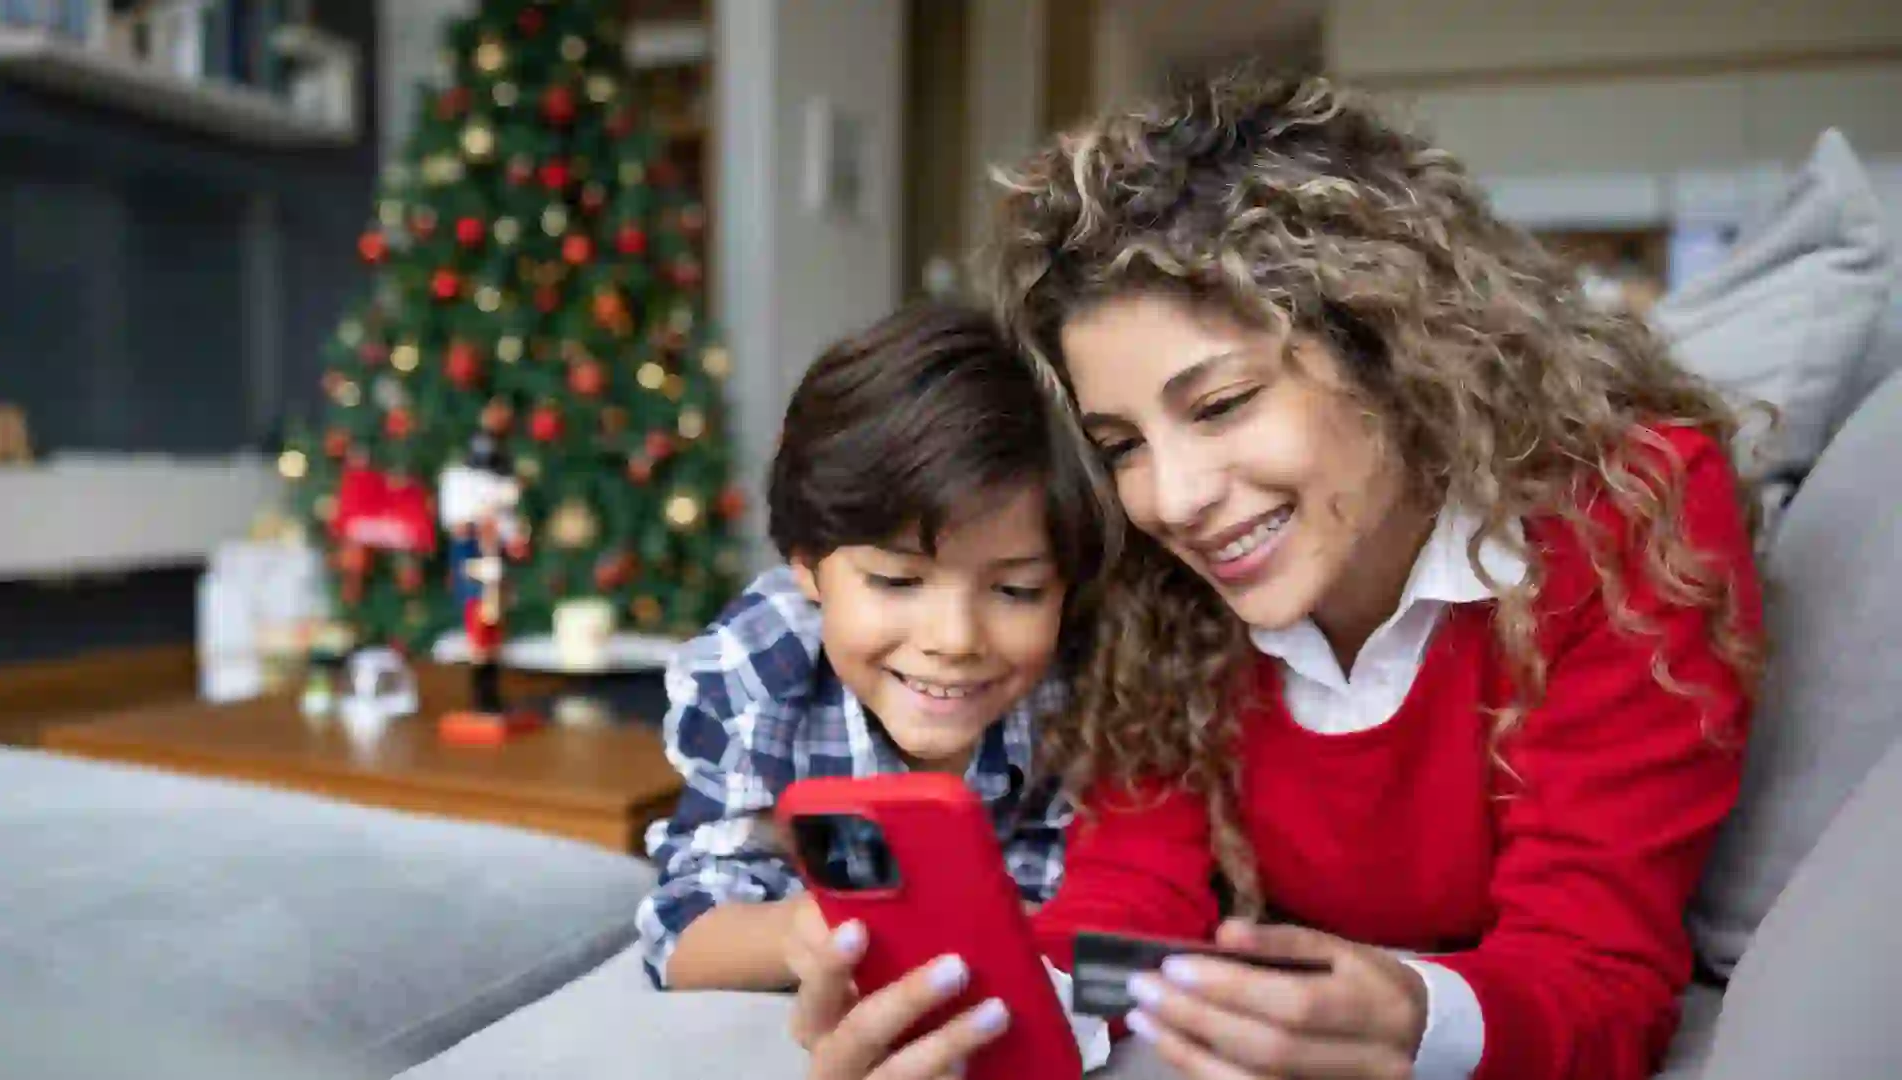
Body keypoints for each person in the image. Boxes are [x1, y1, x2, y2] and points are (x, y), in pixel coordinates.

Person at [788, 71, 1766, 1080]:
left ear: (1387, 347)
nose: (1172, 497)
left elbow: (1599, 971)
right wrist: (988, 1021)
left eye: (1220, 404)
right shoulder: (1160, 588)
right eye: (1120, 443)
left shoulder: (1628, 512)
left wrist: (1411, 1020)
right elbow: (1129, 909)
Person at [635, 303, 1106, 992]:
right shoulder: (756, 672)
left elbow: (1119, 946)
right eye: (895, 580)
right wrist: (809, 930)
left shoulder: (1085, 686)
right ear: (807, 563)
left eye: (1016, 592)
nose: (955, 640)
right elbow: (676, 933)